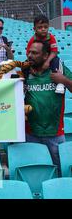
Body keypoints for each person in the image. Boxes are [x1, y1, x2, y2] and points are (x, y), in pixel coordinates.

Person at [24, 40, 72, 173]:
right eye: (29, 52)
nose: (30, 55)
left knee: (60, 171)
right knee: (37, 172)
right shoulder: (25, 70)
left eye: (34, 53)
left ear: (45, 56)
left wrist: (64, 80)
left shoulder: (58, 68)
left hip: (54, 133)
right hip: (31, 133)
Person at [26, 15, 64, 94]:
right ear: (34, 29)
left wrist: (47, 62)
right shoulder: (32, 39)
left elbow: (54, 52)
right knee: (25, 64)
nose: (43, 29)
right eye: (40, 27)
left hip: (50, 57)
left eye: (45, 27)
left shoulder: (51, 37)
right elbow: (28, 54)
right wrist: (31, 65)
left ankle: (60, 83)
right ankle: (25, 83)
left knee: (57, 60)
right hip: (38, 59)